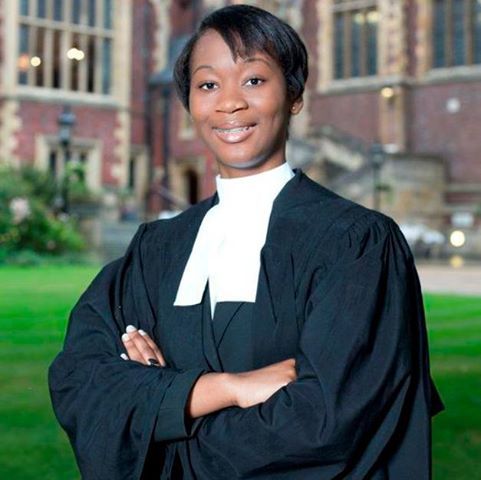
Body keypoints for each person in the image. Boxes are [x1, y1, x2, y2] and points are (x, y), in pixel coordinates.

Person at [49, 5, 443, 479]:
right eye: (208, 85)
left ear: (294, 95)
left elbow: (327, 424)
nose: (229, 103)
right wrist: (223, 389)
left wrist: (161, 412)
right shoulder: (158, 248)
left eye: (254, 80)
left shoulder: (356, 244)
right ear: (189, 102)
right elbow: (79, 382)